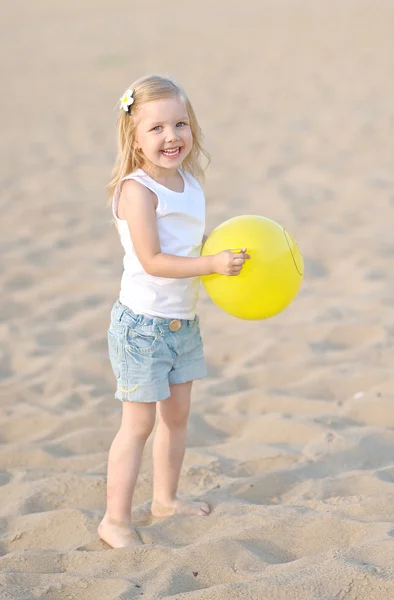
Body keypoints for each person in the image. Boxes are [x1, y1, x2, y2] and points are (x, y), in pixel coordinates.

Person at [98, 74, 250, 548]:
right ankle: (114, 521)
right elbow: (153, 260)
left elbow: (186, 244)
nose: (171, 137)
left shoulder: (188, 182)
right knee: (138, 423)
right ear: (134, 137)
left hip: (182, 321)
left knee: (177, 416)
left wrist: (217, 253)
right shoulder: (137, 190)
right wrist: (210, 263)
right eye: (157, 128)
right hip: (143, 326)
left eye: (180, 124)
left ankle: (164, 498)